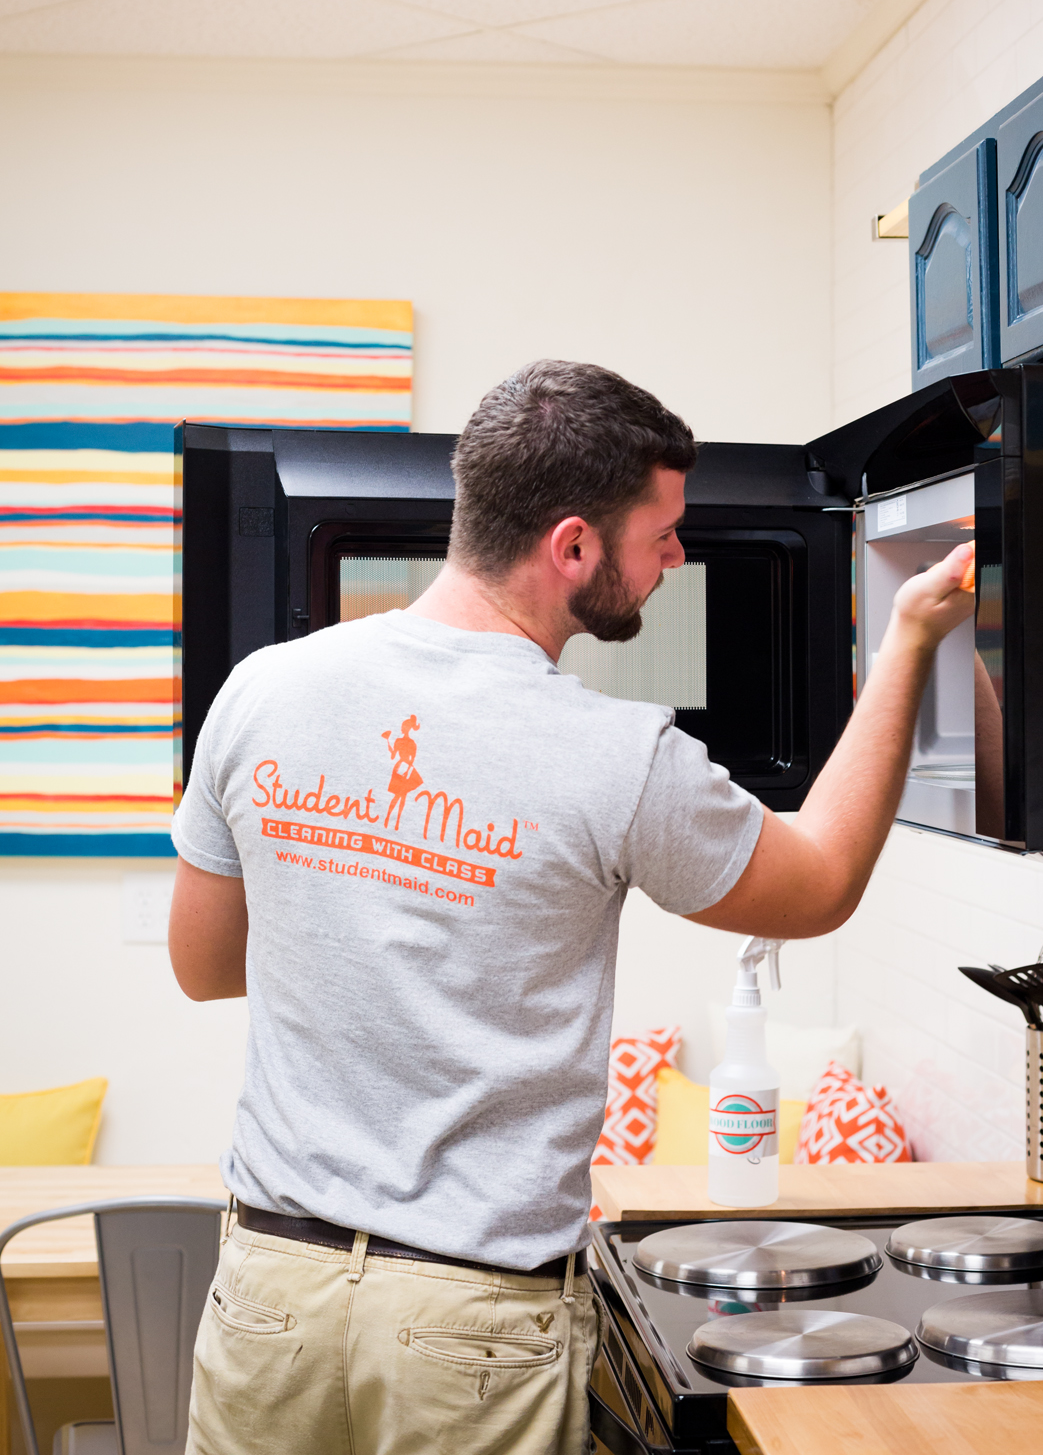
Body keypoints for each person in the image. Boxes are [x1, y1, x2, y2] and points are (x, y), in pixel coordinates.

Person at [169, 360, 973, 1455]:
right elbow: (821, 882)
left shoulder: (263, 689)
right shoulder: (615, 754)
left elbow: (205, 966)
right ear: (574, 547)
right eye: (663, 532)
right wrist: (910, 643)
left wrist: (362, 899)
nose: (677, 557)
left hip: (270, 1294)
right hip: (472, 1325)